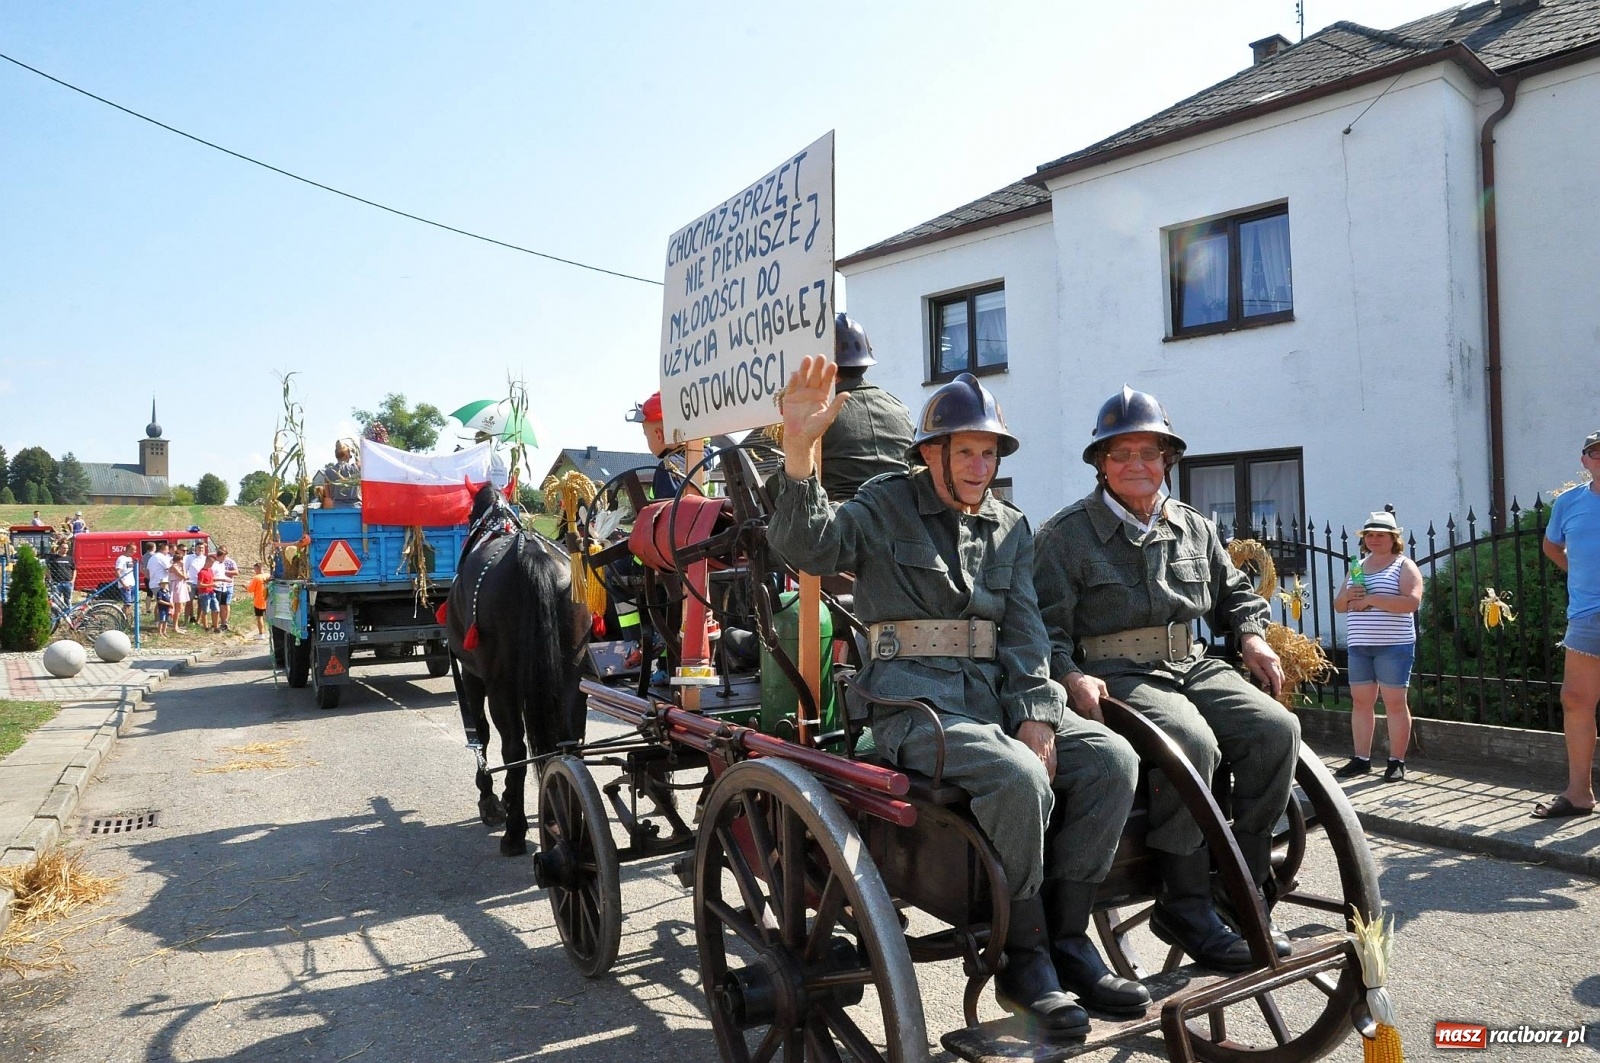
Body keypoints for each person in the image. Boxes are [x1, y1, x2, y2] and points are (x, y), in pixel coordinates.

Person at [768, 357, 1144, 1032]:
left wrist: (1036, 711)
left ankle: (1068, 939)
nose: (980, 465)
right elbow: (811, 543)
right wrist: (798, 451)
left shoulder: (1010, 525)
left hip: (997, 698)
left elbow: (1027, 631)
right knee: (1019, 776)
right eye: (966, 451)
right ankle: (1023, 961)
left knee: (1114, 760)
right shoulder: (886, 503)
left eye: (990, 451)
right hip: (915, 705)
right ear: (931, 455)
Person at [1033, 385, 1301, 973]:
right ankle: (1183, 902)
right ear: (1102, 464)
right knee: (1192, 741)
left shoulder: (1194, 527)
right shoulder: (1064, 536)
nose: (1136, 465)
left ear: (1167, 462)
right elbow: (1043, 628)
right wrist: (1071, 675)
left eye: (1148, 454)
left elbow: (1234, 593)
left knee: (1276, 729)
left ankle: (1242, 888)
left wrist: (1253, 636)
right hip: (1115, 673)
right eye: (1122, 454)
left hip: (1193, 662)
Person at [1535, 430, 1600, 819]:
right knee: (1576, 700)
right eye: (1596, 452)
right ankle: (1579, 795)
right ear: (1585, 461)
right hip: (1587, 614)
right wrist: (1576, 573)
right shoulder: (1568, 503)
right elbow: (1550, 545)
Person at [1333, 508, 1422, 782]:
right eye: (1369, 535)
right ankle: (1361, 759)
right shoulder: (1357, 566)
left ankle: (1397, 761)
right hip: (1360, 645)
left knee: (1394, 703)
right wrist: (1348, 595)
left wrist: (1372, 599)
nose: (1373, 539)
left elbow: (1412, 602)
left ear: (1393, 538)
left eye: (1379, 535)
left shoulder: (1404, 565)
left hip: (1394, 645)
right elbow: (1339, 606)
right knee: (1361, 703)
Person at [815, 313, 916, 502]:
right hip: (903, 515)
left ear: (826, 365)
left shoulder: (819, 413)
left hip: (841, 520)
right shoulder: (899, 408)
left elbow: (798, 480)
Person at [625, 392, 685, 500]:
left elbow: (667, 513)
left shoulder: (667, 470)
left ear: (659, 435)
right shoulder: (703, 457)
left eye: (646, 435)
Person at [313, 440, 362, 508]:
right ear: (347, 455)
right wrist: (355, 452)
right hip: (356, 507)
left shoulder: (328, 472)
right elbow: (362, 462)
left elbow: (328, 496)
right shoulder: (356, 468)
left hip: (337, 508)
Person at [145, 542, 171, 616]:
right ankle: (161, 621)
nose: (168, 551)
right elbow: (169, 568)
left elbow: (147, 571)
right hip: (160, 583)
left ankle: (158, 620)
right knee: (163, 603)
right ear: (163, 549)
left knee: (159, 603)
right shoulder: (161, 557)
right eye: (167, 549)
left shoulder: (152, 558)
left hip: (153, 583)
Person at [215, 548, 237, 633]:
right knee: (218, 606)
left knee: (224, 604)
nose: (225, 558)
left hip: (225, 586)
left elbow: (236, 572)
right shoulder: (215, 564)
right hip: (217, 587)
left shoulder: (227, 563)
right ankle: (217, 623)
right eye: (224, 556)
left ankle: (224, 622)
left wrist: (226, 577)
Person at [47, 541, 75, 607]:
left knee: (68, 601)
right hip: (57, 583)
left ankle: (68, 615)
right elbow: (48, 569)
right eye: (64, 548)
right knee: (56, 601)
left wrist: (73, 580)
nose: (65, 550)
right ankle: (57, 616)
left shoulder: (70, 559)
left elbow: (74, 570)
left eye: (67, 548)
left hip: (68, 583)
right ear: (59, 548)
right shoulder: (53, 558)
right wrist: (50, 578)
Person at [182, 546, 204, 626]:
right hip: (191, 582)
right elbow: (185, 569)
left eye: (202, 548)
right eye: (199, 548)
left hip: (200, 583)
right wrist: (185, 580)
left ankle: (198, 620)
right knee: (188, 602)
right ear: (195, 549)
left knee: (201, 602)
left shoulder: (205, 558)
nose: (201, 549)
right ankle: (186, 621)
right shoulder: (189, 558)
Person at [169, 555, 192, 630]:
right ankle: (174, 626)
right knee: (177, 606)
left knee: (179, 607)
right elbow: (184, 576)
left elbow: (185, 576)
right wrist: (183, 567)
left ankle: (176, 626)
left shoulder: (179, 567)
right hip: (176, 586)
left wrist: (183, 567)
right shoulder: (174, 567)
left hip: (181, 585)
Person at [196, 554, 218, 632]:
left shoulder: (210, 570)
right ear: (207, 561)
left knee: (216, 610)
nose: (212, 564)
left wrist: (221, 580)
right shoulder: (201, 572)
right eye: (211, 562)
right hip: (204, 593)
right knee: (205, 610)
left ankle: (216, 627)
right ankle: (206, 627)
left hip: (211, 592)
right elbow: (199, 585)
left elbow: (212, 580)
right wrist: (211, 584)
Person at [115, 546, 138, 618]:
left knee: (130, 603)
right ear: (130, 549)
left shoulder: (130, 558)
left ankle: (125, 618)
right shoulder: (121, 559)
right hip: (125, 584)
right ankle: (125, 620)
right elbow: (117, 572)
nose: (135, 552)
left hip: (132, 583)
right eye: (134, 550)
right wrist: (123, 583)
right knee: (127, 604)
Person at [248, 562, 269, 639]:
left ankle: (261, 634)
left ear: (257, 569)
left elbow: (250, 589)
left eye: (254, 569)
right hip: (268, 600)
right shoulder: (268, 576)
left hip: (259, 600)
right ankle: (269, 632)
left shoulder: (256, 578)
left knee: (259, 617)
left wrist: (245, 586)